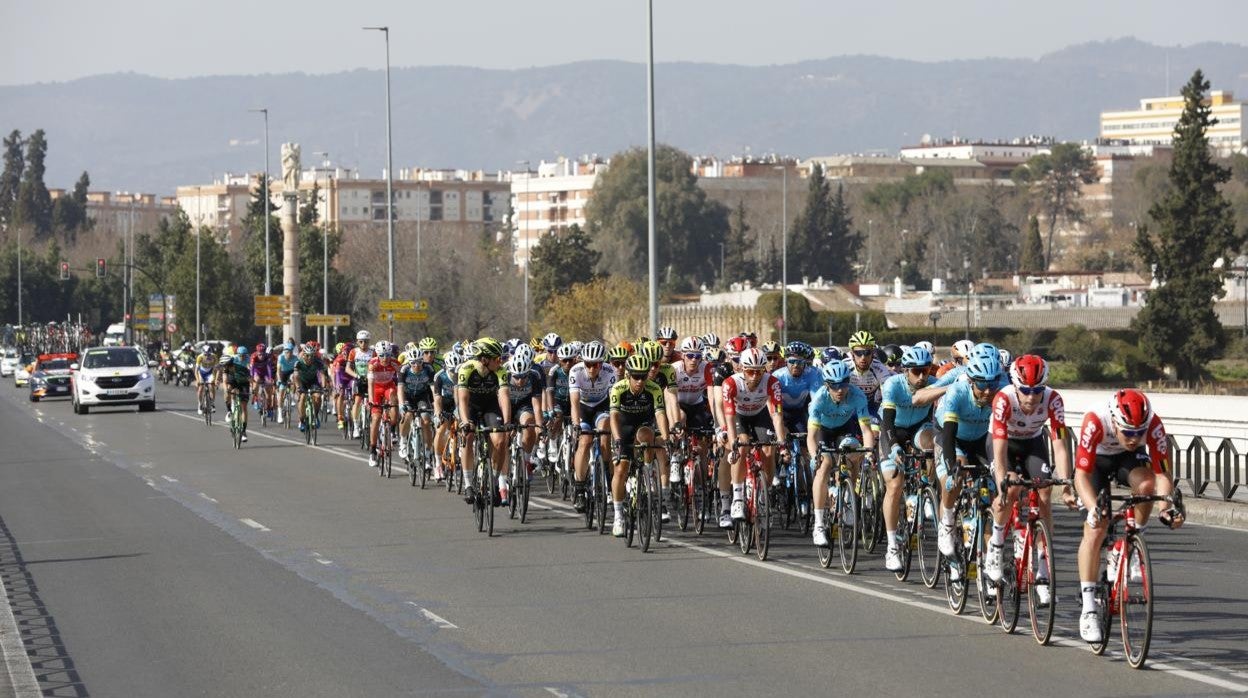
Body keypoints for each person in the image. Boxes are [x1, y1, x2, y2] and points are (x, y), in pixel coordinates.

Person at [1074, 389, 1185, 643]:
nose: (1134, 438)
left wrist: (1166, 508)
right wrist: (1093, 509)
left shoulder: (1153, 425)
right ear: (1114, 421)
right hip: (1096, 462)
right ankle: (1089, 608)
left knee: (1146, 487)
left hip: (1126, 460)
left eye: (1139, 432)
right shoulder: (1095, 419)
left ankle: (1132, 544)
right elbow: (1080, 476)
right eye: (1128, 432)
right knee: (1095, 529)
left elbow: (1162, 475)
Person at [985, 354, 1075, 600]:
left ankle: (1043, 570)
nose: (1032, 397)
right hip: (1004, 442)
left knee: (1045, 490)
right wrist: (1002, 485)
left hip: (1033, 442)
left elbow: (1060, 445)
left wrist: (1066, 484)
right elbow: (1000, 450)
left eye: (1037, 390)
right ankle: (995, 546)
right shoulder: (1004, 399)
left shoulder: (1054, 400)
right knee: (1011, 488)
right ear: (1015, 386)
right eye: (1025, 390)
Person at [934, 348, 1002, 564]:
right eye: (982, 384)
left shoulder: (1002, 394)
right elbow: (948, 434)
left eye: (993, 384)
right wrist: (952, 467)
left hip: (982, 439)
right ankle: (947, 522)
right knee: (956, 474)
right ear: (972, 381)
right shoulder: (957, 392)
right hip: (953, 436)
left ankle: (991, 562)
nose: (988, 391)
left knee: (993, 493)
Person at [877, 345, 941, 571]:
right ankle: (892, 546)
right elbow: (886, 421)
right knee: (894, 485)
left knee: (933, 442)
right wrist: (893, 446)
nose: (922, 376)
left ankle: (926, 488)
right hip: (892, 430)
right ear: (905, 371)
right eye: (916, 371)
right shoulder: (893, 385)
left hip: (917, 429)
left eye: (925, 370)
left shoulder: (933, 383)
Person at [806, 361, 875, 547]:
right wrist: (815, 456)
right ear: (827, 384)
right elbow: (811, 436)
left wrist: (868, 455)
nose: (840, 389)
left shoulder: (857, 395)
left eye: (843, 384)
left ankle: (848, 501)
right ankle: (819, 524)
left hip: (844, 428)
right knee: (825, 464)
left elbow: (867, 431)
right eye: (834, 385)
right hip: (823, 431)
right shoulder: (819, 399)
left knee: (854, 454)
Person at [608, 354, 670, 536]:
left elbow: (660, 414)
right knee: (621, 469)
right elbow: (613, 417)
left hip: (643, 425)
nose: (640, 381)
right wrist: (618, 440)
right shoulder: (618, 388)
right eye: (636, 376)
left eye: (643, 376)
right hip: (623, 427)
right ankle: (618, 515)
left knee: (648, 435)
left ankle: (648, 471)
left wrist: (666, 438)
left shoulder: (654, 388)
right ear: (628, 375)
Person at [722, 347, 785, 525]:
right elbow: (729, 416)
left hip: (760, 414)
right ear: (742, 369)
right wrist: (733, 443)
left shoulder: (772, 382)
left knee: (769, 449)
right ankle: (738, 498)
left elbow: (778, 416)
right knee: (743, 445)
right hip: (739, 415)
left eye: (759, 371)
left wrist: (781, 442)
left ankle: (766, 493)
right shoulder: (731, 383)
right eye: (750, 371)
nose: (755, 376)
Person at [455, 338, 513, 503]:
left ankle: (494, 481)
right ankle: (468, 484)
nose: (500, 361)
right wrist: (466, 421)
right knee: (468, 436)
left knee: (500, 441)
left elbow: (504, 397)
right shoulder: (466, 369)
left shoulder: (500, 371)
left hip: (490, 406)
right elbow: (463, 400)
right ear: (484, 359)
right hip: (471, 406)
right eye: (496, 358)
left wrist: (507, 423)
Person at [569, 341, 619, 512]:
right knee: (584, 441)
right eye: (588, 364)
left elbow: (614, 403)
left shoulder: (610, 371)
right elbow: (574, 403)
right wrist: (576, 426)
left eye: (596, 364)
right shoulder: (575, 371)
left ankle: (609, 478)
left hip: (602, 406)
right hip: (583, 408)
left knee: (605, 438)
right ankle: (580, 488)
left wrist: (614, 426)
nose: (592, 368)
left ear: (602, 363)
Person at [397, 347, 436, 461]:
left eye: (419, 362)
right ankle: (403, 442)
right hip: (407, 396)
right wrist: (401, 404)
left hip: (421, 396)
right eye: (413, 363)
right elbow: (400, 388)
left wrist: (435, 405)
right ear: (409, 362)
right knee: (408, 415)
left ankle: (428, 452)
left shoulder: (428, 368)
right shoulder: (404, 369)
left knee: (426, 421)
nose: (416, 365)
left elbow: (433, 389)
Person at [366, 341, 401, 468]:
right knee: (375, 418)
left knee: (394, 399)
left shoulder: (395, 363)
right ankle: (373, 450)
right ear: (377, 354)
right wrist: (371, 400)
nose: (385, 358)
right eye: (382, 355)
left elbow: (401, 382)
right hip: (376, 389)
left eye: (387, 355)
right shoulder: (372, 364)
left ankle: (392, 431)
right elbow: (370, 384)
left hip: (388, 388)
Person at [292, 343, 327, 431]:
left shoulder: (317, 362)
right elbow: (295, 376)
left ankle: (315, 416)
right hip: (302, 382)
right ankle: (302, 420)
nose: (310, 358)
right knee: (303, 397)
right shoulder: (298, 363)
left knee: (318, 397)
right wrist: (297, 387)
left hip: (313, 382)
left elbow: (322, 375)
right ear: (303, 355)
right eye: (307, 356)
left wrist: (324, 387)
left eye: (312, 356)